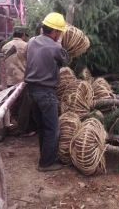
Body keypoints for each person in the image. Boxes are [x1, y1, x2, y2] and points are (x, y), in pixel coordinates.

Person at [24, 12, 69, 172]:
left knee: (42, 126)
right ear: (55, 32)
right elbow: (66, 61)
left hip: (31, 91)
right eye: (60, 32)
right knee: (52, 128)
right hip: (46, 92)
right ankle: (46, 163)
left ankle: (45, 156)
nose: (60, 35)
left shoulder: (31, 41)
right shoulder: (56, 47)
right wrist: (63, 46)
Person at [1, 26, 36, 137]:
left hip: (7, 80)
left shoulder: (5, 46)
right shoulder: (26, 46)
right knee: (24, 106)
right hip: (22, 80)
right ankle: (23, 130)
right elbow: (31, 62)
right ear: (23, 35)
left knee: (12, 104)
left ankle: (14, 125)